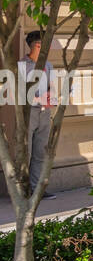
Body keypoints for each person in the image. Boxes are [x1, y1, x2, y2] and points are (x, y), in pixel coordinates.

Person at [18, 31, 57, 198]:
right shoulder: (22, 66)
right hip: (29, 113)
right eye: (42, 45)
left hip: (45, 112)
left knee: (40, 152)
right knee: (26, 152)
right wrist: (37, 98)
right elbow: (19, 92)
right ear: (36, 46)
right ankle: (22, 190)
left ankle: (37, 189)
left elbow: (53, 87)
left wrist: (52, 97)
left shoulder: (48, 65)